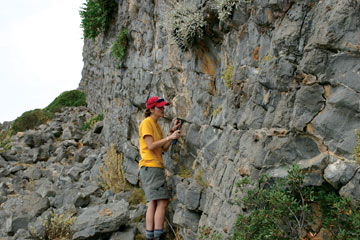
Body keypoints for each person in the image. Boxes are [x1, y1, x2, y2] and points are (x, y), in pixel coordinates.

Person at [139, 96, 181, 240]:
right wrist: (170, 137)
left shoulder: (156, 125)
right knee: (161, 201)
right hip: (151, 166)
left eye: (163, 107)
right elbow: (150, 146)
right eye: (160, 107)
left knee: (154, 201)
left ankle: (151, 236)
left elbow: (163, 148)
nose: (163, 109)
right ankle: (157, 235)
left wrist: (171, 134)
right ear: (151, 109)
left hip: (152, 167)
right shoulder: (147, 123)